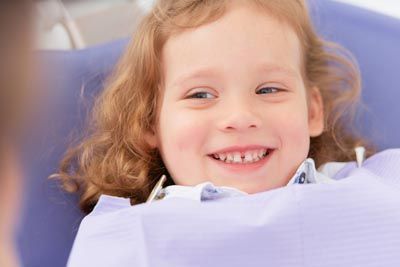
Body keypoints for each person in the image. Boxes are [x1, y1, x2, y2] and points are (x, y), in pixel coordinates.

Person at [55, 0, 400, 266]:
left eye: (268, 90)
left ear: (312, 111)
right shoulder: (127, 240)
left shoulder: (384, 184)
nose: (240, 117)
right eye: (201, 95)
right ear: (148, 123)